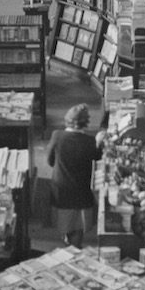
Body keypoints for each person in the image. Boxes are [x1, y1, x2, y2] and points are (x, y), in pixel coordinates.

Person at [46, 104, 107, 248]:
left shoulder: (56, 136)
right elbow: (97, 163)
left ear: (66, 120)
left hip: (61, 191)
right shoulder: (90, 142)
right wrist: (99, 143)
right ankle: (75, 246)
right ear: (85, 123)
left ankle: (67, 240)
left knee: (65, 221)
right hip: (82, 191)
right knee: (78, 224)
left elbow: (50, 161)